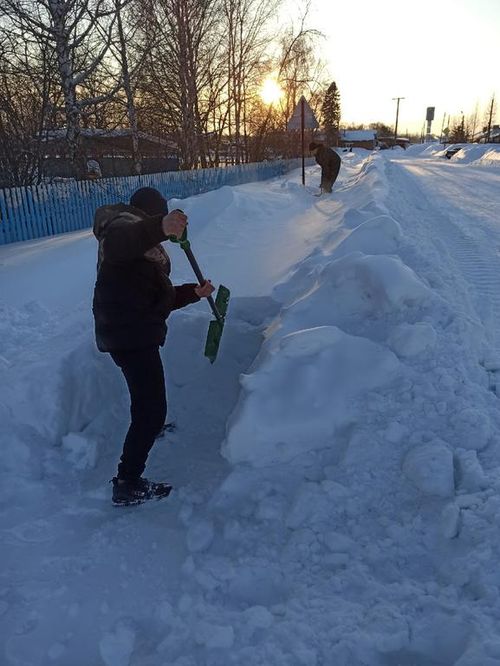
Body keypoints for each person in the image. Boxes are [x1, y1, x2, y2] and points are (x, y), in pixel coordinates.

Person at [92, 186, 215, 506]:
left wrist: (194, 292)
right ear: (149, 214)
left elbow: (158, 297)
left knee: (145, 400)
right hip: (129, 335)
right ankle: (127, 482)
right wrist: (160, 226)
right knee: (151, 407)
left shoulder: (143, 254)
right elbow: (122, 242)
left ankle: (149, 429)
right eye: (158, 216)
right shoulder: (121, 230)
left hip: (131, 331)